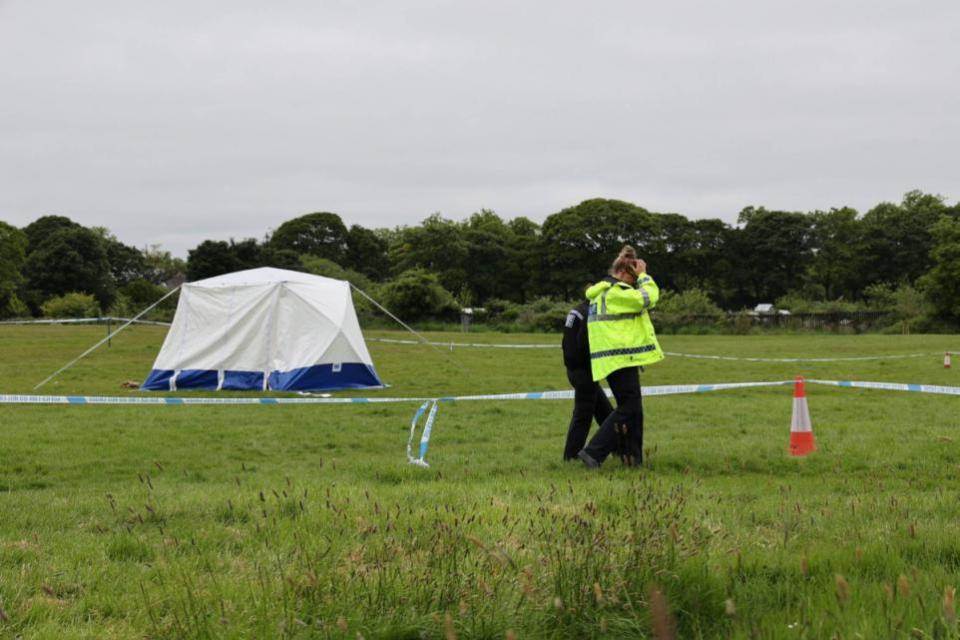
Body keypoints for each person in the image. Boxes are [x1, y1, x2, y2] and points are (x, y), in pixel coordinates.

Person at [578, 245, 664, 468]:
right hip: (619, 358)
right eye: (634, 280)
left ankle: (631, 459)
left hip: (613, 358)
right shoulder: (616, 293)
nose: (635, 284)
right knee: (629, 408)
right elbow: (649, 298)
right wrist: (644, 275)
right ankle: (593, 453)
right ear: (626, 273)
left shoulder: (602, 293)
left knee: (633, 410)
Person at [561, 298, 613, 460]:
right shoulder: (590, 313)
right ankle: (571, 456)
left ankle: (620, 447)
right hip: (585, 371)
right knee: (583, 415)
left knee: (605, 412)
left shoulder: (577, 310)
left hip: (573, 368)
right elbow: (584, 344)